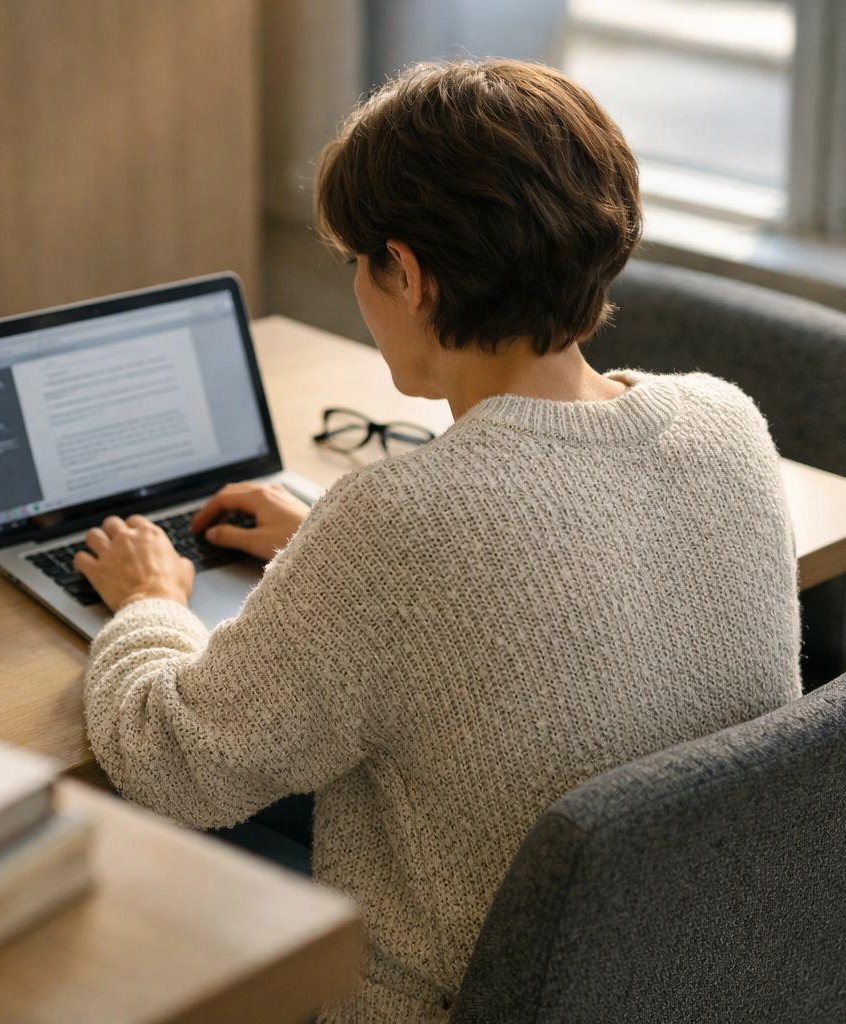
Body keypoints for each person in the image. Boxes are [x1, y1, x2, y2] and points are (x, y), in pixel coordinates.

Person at [72, 59, 801, 1024]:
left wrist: (151, 602)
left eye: (358, 265)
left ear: (408, 275)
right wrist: (316, 558)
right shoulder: (726, 421)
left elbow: (172, 761)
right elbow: (521, 607)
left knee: (106, 835)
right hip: (698, 960)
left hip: (468, 998)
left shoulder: (399, 526)